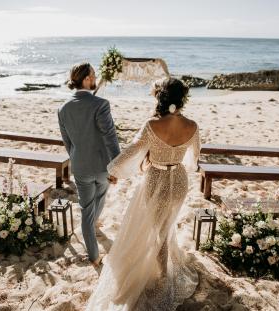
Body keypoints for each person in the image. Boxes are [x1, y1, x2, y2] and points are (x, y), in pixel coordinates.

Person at [86, 78, 200, 310]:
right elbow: (194, 158)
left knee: (158, 228)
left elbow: (131, 152)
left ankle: (164, 275)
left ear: (161, 98)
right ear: (182, 99)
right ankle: (165, 265)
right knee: (167, 224)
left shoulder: (152, 125)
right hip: (179, 180)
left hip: (156, 179)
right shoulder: (193, 126)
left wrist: (113, 170)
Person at [58, 62, 120, 266]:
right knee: (100, 195)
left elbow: (68, 143)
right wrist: (116, 166)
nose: (95, 78)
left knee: (86, 208)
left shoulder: (63, 108)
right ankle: (93, 224)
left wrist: (77, 159)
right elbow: (110, 137)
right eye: (93, 75)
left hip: (80, 167)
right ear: (85, 79)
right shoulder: (100, 104)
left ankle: (93, 256)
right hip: (102, 166)